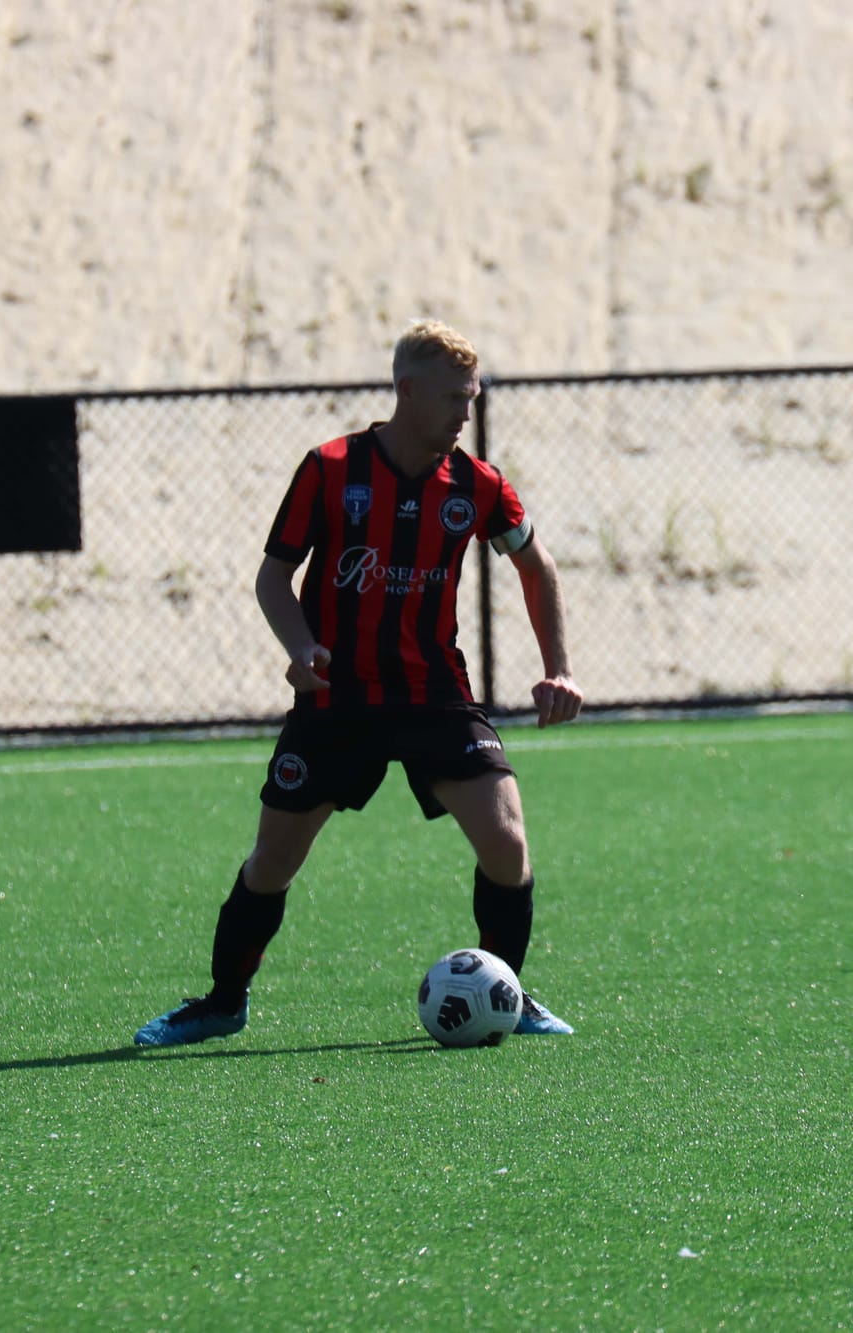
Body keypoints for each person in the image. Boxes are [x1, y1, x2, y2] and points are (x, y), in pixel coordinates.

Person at [136, 319, 584, 1045]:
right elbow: (273, 576)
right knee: (273, 860)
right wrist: (302, 644)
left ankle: (507, 992)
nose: (465, 413)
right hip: (337, 699)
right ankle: (221, 1003)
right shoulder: (330, 468)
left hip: (434, 694)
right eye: (453, 398)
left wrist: (558, 666)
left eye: (471, 398)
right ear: (407, 391)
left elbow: (537, 565)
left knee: (506, 842)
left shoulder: (477, 484)